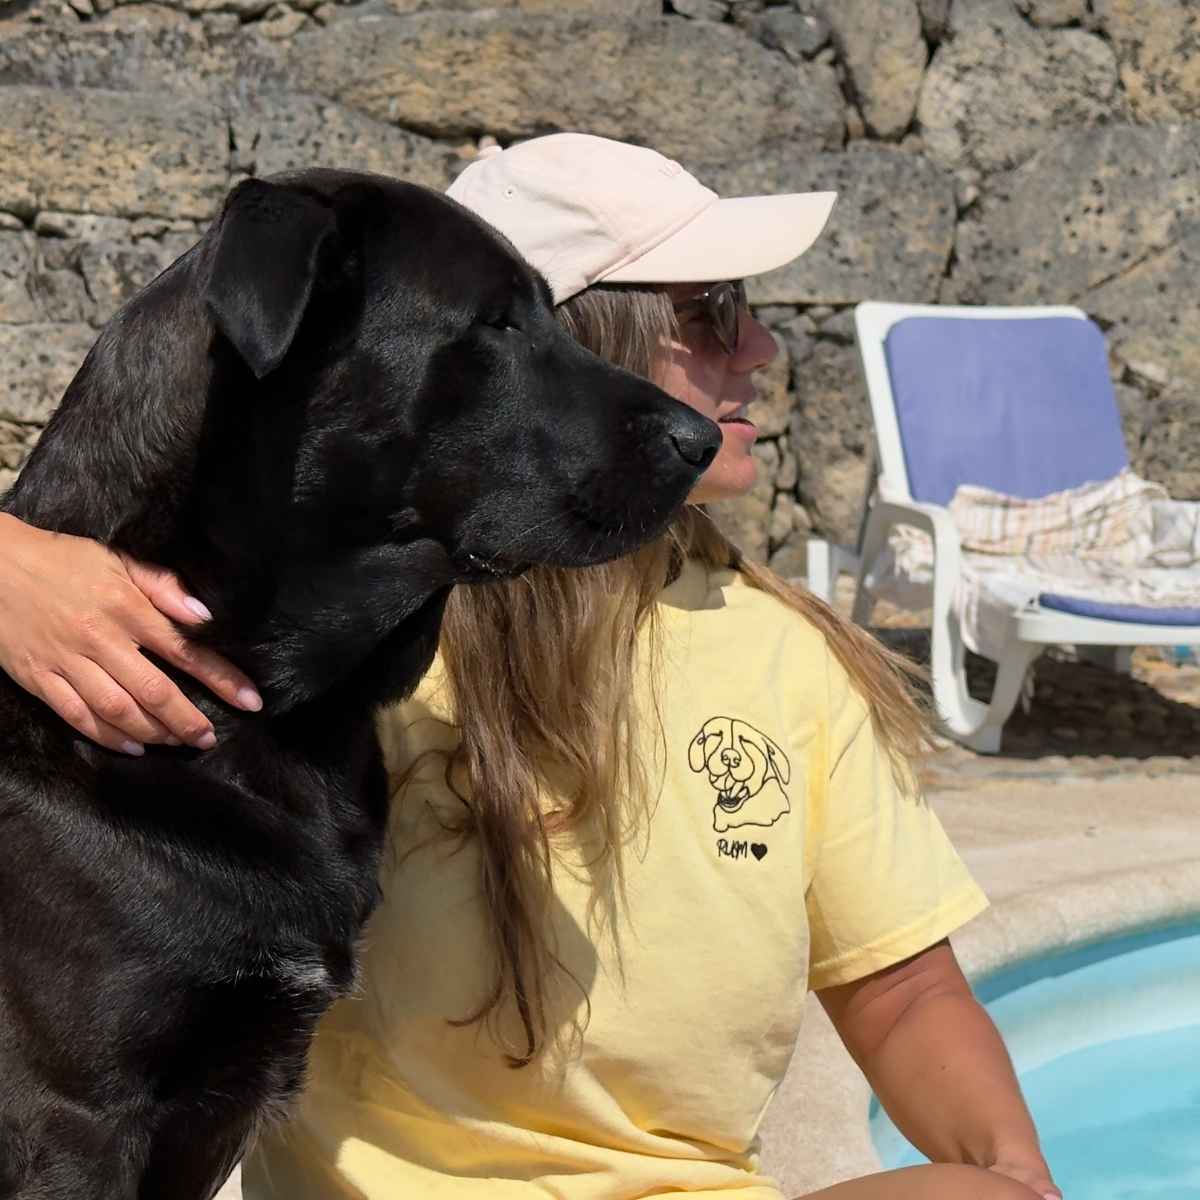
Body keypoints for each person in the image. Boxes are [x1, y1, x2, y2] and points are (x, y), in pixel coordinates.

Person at [0, 134, 1061, 1200]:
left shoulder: (786, 655)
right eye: (711, 310)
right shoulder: (365, 639)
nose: (763, 351)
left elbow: (907, 995)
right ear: (574, 336)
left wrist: (1018, 1176)